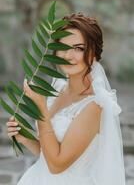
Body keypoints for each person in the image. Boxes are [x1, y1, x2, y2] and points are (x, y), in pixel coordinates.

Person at [6, 13, 126, 185]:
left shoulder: (95, 105)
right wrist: (24, 137)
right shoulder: (57, 88)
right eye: (63, 47)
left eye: (78, 48)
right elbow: (48, 152)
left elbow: (57, 165)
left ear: (94, 54)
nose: (68, 55)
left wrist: (41, 109)